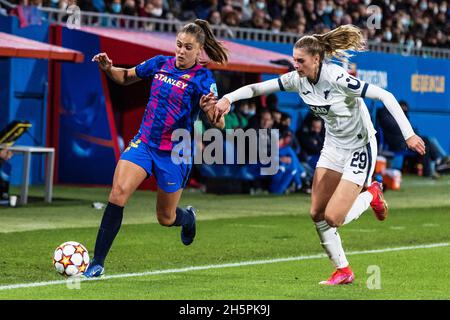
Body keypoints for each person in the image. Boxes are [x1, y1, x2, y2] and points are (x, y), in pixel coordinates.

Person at [212, 25, 426, 285]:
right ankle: (343, 270)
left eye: (300, 61)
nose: (296, 65)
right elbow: (257, 89)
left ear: (316, 59)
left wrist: (409, 135)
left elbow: (385, 95)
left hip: (360, 147)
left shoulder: (337, 78)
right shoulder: (297, 80)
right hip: (333, 147)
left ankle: (371, 194)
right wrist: (227, 99)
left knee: (334, 218)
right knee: (317, 213)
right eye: (294, 60)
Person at [84, 19, 228, 278]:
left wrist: (211, 110)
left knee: (165, 217)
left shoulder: (204, 78)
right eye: (179, 45)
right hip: (144, 143)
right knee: (117, 194)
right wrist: (108, 68)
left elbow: (219, 123)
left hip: (175, 153)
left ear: (199, 51)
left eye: (188, 48)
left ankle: (188, 219)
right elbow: (126, 77)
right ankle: (97, 262)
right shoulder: (160, 63)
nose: (181, 52)